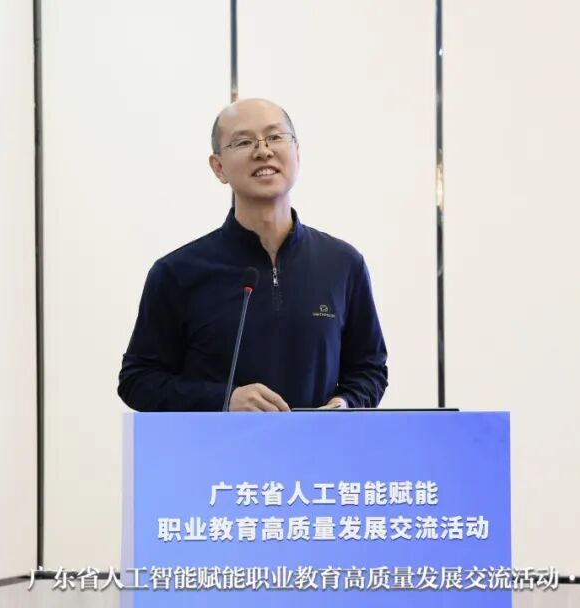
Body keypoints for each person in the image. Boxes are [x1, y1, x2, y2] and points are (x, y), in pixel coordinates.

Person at [117, 98, 387, 412]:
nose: (263, 151)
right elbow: (138, 381)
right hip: (220, 445)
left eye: (275, 137)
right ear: (218, 167)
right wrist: (225, 400)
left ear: (297, 152)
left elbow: (369, 370)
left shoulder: (343, 264)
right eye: (244, 142)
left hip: (318, 443)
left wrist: (345, 404)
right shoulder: (177, 272)